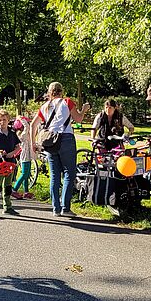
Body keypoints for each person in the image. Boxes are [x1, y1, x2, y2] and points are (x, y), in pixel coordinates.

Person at [31, 82, 90, 218]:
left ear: (50, 92)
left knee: (54, 175)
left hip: (51, 141)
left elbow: (33, 125)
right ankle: (65, 207)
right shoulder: (67, 102)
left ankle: (55, 208)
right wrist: (84, 109)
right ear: (61, 91)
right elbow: (78, 118)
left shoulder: (44, 106)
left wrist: (33, 143)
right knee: (69, 173)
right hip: (66, 139)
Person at [0, 109, 21, 219]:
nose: (2, 122)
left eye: (4, 120)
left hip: (10, 163)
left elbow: (18, 146)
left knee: (8, 186)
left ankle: (8, 207)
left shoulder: (12, 134)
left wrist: (13, 153)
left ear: (8, 121)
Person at [12, 115, 35, 200]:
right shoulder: (21, 134)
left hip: (28, 156)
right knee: (24, 174)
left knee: (27, 174)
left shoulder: (24, 134)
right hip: (24, 156)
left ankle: (26, 191)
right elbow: (27, 127)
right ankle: (14, 190)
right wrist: (21, 119)